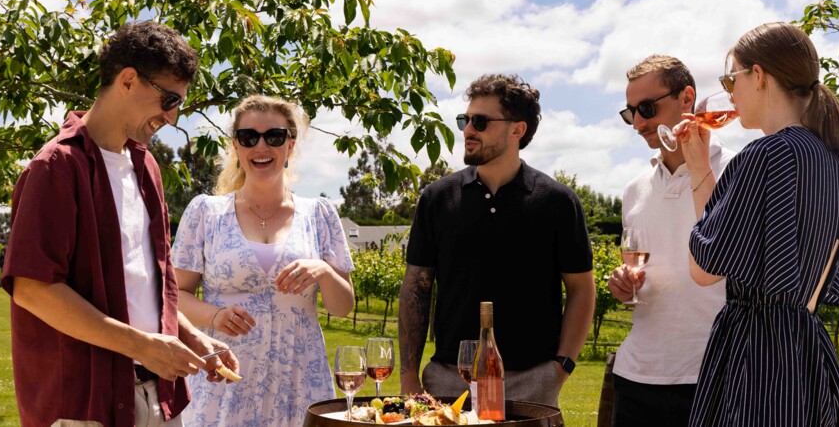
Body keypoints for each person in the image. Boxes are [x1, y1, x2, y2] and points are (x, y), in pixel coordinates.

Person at [1, 21, 239, 427]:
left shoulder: (146, 166)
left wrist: (190, 337)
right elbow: (33, 289)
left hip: (158, 396)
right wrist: (142, 346)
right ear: (128, 80)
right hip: (83, 405)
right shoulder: (56, 166)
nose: (172, 116)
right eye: (168, 98)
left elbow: (147, 287)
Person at [677, 22, 839, 426]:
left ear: (757, 76)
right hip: (806, 356)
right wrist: (700, 169)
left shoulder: (763, 156)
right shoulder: (830, 164)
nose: (730, 92)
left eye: (731, 78)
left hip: (756, 361)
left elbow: (704, 269)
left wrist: (697, 181)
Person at [398, 73, 596, 409]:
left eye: (480, 121)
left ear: (517, 130)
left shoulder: (558, 201)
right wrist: (408, 378)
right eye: (465, 119)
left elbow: (581, 288)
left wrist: (561, 367)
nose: (468, 130)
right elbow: (417, 287)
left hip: (531, 383)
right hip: (448, 380)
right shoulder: (437, 198)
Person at [171, 95, 356, 427]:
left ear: (291, 145)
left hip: (300, 380)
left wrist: (325, 271)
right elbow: (174, 297)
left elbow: (342, 308)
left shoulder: (320, 214)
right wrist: (214, 315)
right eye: (248, 137)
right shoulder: (205, 213)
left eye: (274, 136)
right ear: (236, 146)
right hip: (224, 380)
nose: (261, 146)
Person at [607, 55, 731, 426]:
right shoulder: (634, 190)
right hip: (636, 376)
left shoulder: (737, 172)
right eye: (631, 113)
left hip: (712, 376)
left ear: (686, 98)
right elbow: (644, 280)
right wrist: (625, 287)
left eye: (647, 108)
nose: (639, 123)